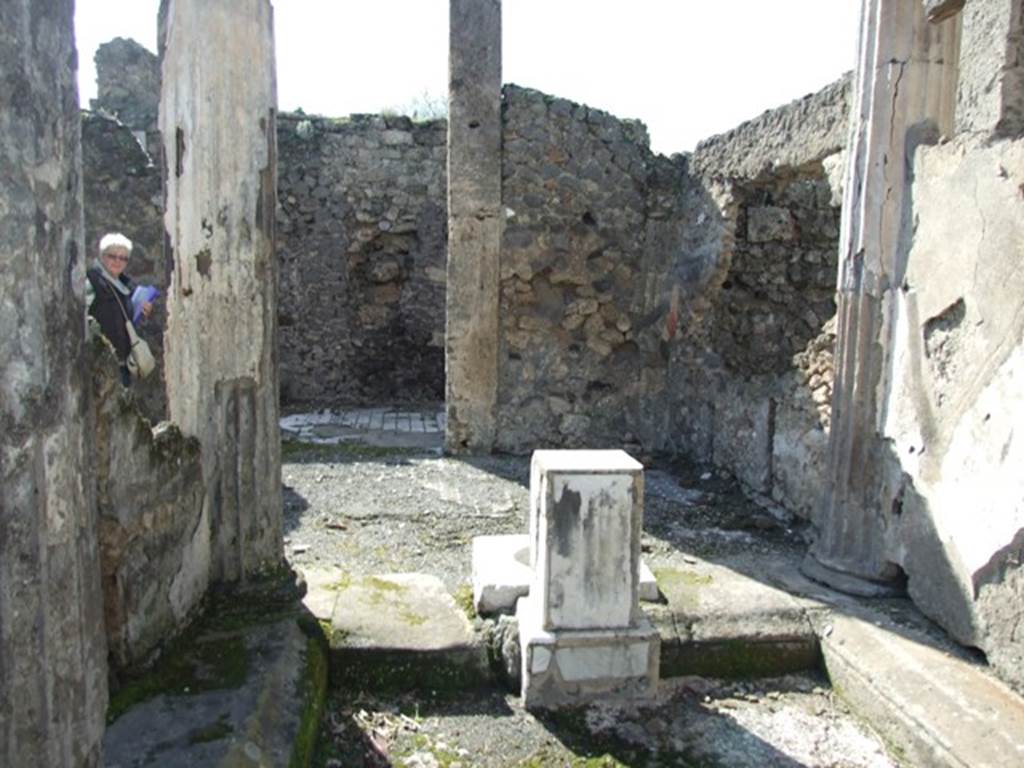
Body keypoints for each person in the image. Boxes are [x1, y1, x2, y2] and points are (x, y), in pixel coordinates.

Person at [86, 233, 152, 386]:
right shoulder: (92, 281)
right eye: (112, 256)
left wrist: (141, 310)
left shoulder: (124, 284)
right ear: (102, 256)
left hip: (122, 365)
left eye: (123, 258)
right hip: (100, 367)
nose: (118, 261)